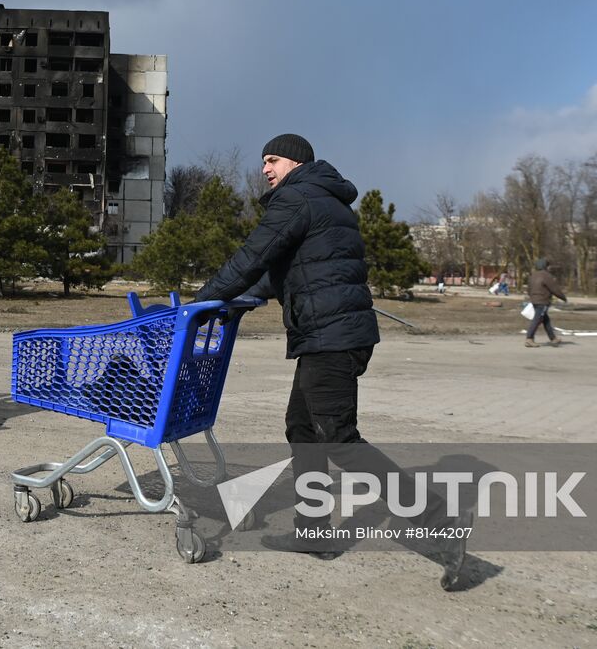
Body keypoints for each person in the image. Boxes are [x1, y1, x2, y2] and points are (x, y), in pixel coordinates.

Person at [196, 133, 470, 591]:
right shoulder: (324, 199)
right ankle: (314, 532)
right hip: (332, 334)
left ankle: (440, 518)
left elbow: (251, 257)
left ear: (296, 162)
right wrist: (244, 297)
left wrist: (200, 301)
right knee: (302, 428)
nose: (266, 168)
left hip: (331, 336)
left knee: (338, 436)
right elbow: (285, 269)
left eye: (273, 159)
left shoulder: (297, 198)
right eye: (264, 161)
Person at [524, 258, 567, 348]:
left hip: (534, 300)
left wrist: (532, 297)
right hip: (542, 300)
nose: (548, 267)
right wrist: (563, 297)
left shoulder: (533, 275)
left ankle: (553, 338)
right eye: (547, 265)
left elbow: (529, 289)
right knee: (538, 319)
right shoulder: (546, 276)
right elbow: (554, 288)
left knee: (546, 320)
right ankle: (529, 338)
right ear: (545, 266)